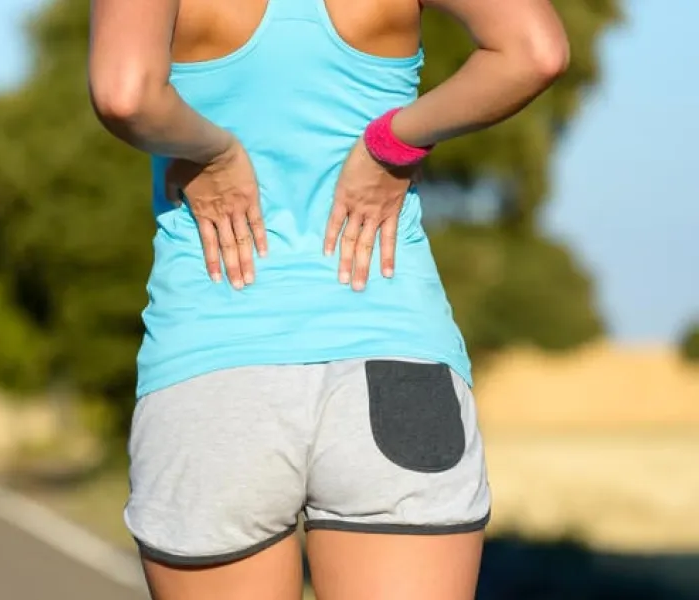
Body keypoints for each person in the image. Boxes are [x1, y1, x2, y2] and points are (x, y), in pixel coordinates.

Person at [87, 0, 569, 598]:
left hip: (214, 370)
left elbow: (125, 92)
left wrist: (214, 151)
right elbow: (535, 50)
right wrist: (392, 143)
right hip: (397, 360)